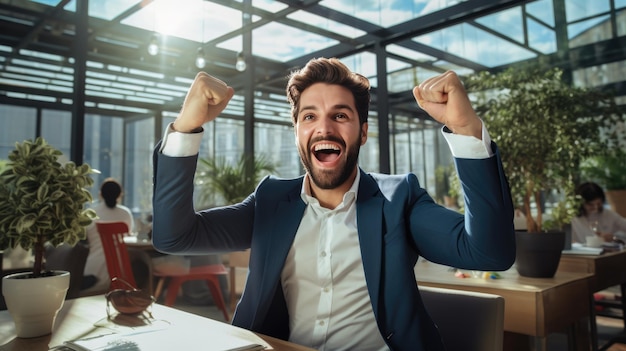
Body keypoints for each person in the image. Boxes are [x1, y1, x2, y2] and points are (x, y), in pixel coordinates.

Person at [152, 57, 515, 351]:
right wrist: (186, 127)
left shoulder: (397, 199)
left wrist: (466, 129)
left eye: (340, 115)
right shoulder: (270, 201)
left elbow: (488, 252)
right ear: (296, 131)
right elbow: (174, 237)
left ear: (363, 131)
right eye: (309, 116)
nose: (324, 128)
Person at [82, 178, 134, 294]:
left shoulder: (91, 213)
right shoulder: (125, 213)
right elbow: (129, 238)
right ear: (120, 195)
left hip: (92, 269)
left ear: (100, 194)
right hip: (121, 271)